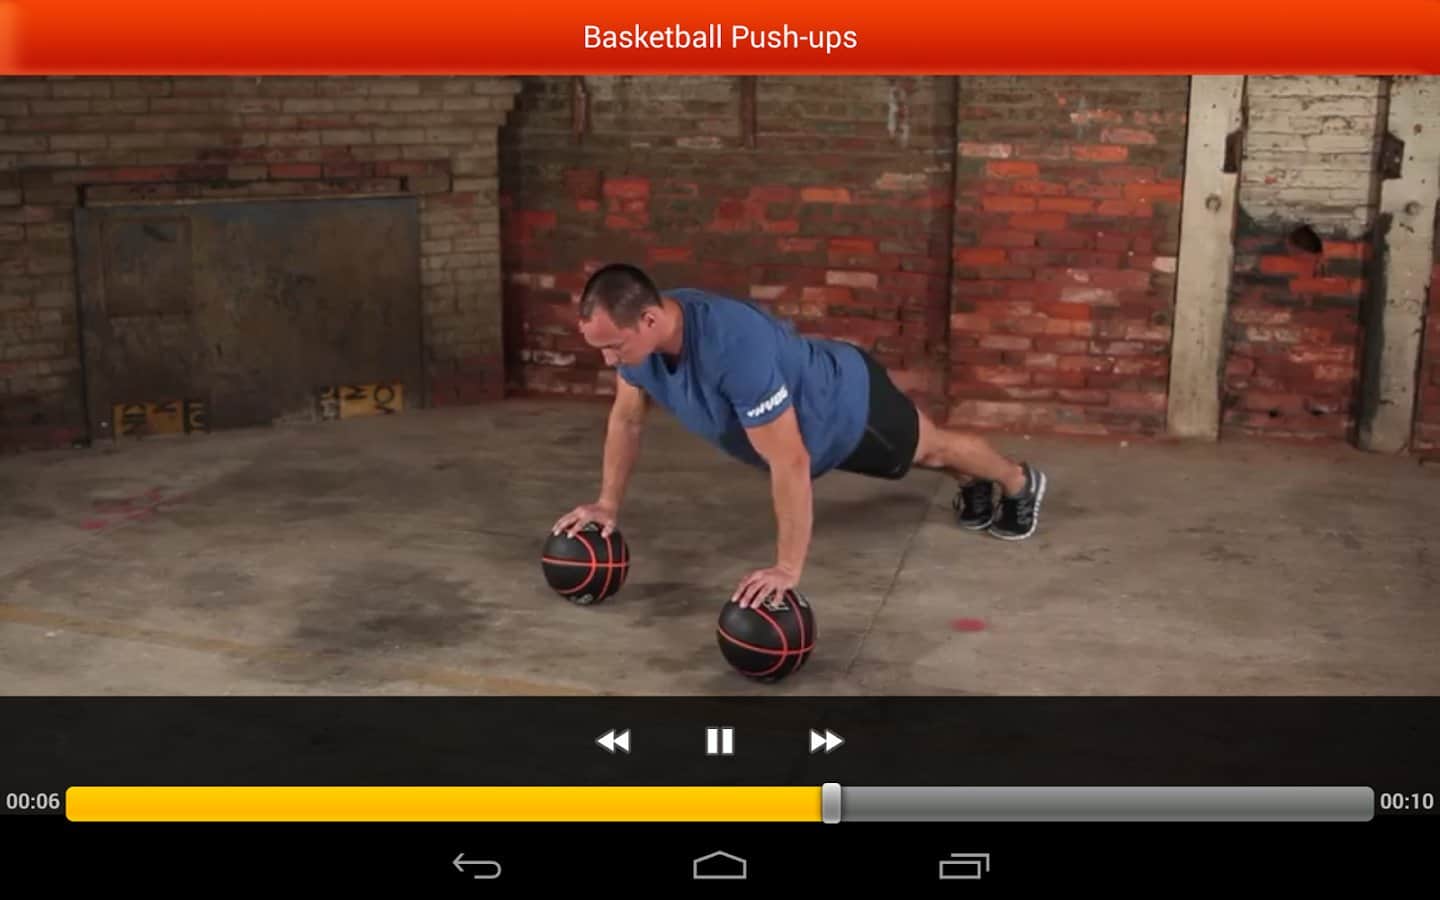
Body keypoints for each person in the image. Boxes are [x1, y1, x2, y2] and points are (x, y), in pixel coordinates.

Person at [551, 263, 1047, 608]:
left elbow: (789, 460)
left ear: (649, 319)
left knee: (932, 450)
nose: (610, 360)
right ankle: (973, 483)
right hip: (815, 415)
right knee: (933, 456)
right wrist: (607, 504)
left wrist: (787, 569)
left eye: (614, 346)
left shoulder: (731, 346)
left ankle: (1018, 481)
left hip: (847, 408)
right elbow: (627, 419)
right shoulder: (641, 343)